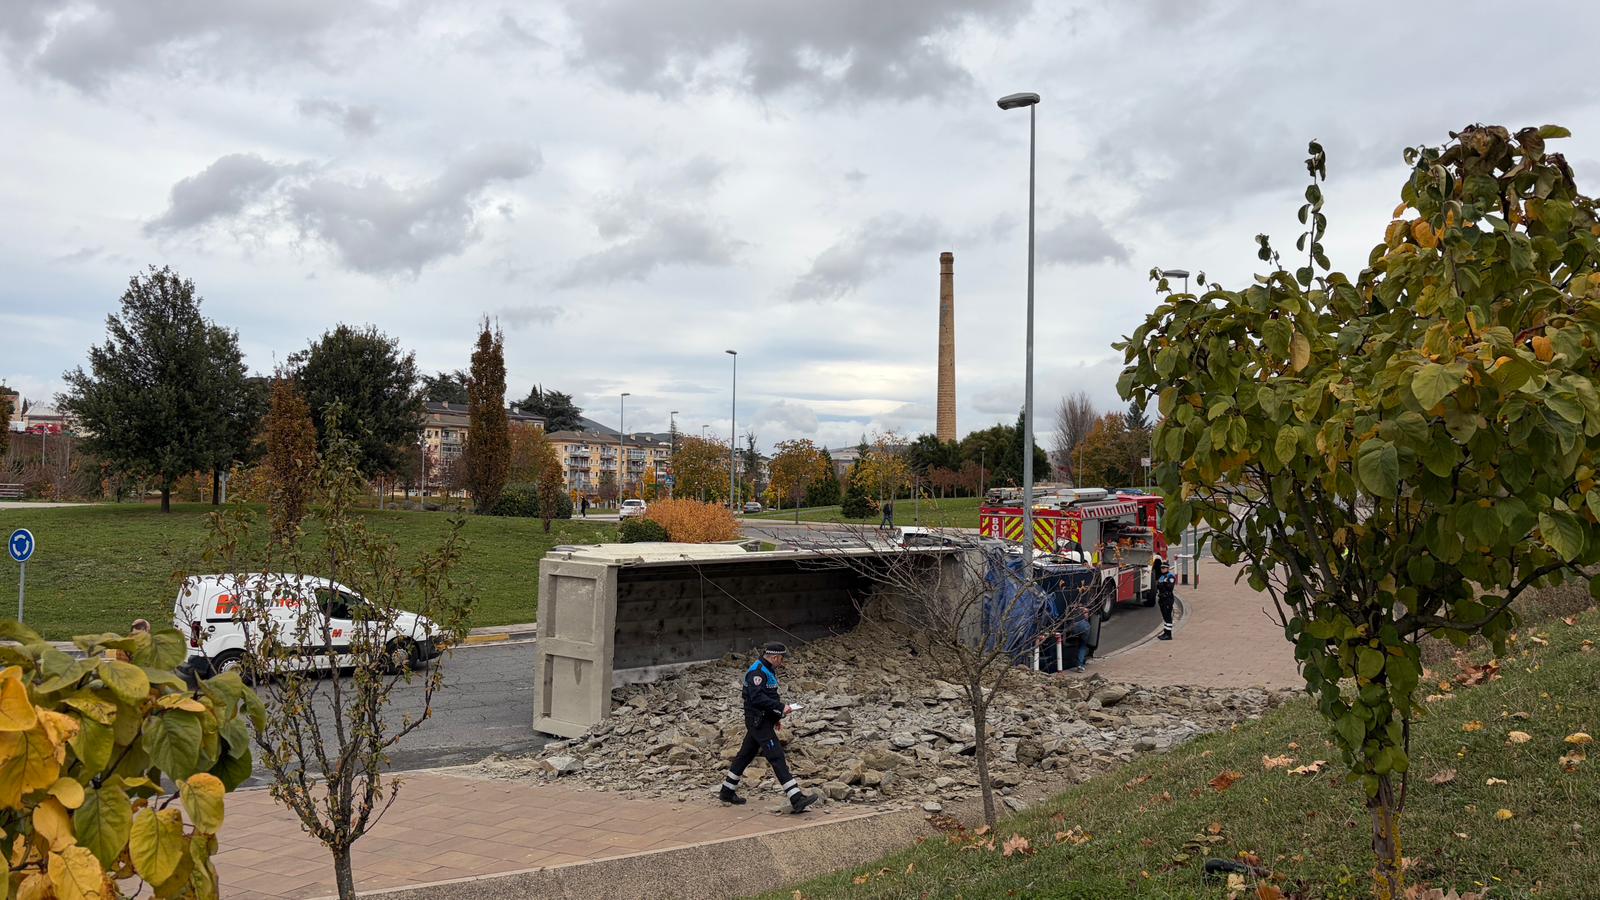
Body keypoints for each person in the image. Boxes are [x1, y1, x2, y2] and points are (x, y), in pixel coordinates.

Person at [719, 642, 818, 813]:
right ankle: (796, 797)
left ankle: (727, 791)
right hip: (758, 722)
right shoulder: (758, 672)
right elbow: (757, 699)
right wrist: (781, 708)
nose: (782, 661)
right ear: (774, 657)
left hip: (763, 720)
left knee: (745, 755)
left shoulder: (767, 670)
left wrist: (776, 717)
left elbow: (769, 696)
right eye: (781, 658)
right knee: (777, 757)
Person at [1155, 558, 1176, 640]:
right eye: (1161, 568)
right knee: (1164, 616)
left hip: (1167, 598)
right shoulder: (1162, 576)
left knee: (1168, 617)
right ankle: (1165, 632)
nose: (1162, 569)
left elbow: (1170, 587)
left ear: (1167, 568)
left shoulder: (1170, 576)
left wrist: (1163, 583)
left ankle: (1169, 634)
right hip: (1162, 599)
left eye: (1164, 568)